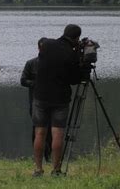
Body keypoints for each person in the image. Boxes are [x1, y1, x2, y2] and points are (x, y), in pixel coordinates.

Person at [31, 24, 82, 177]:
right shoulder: (71, 54)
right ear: (76, 38)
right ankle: (56, 170)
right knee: (57, 133)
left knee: (39, 133)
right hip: (60, 98)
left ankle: (38, 170)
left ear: (64, 33)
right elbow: (74, 80)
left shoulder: (46, 45)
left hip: (41, 96)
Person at [20, 37, 52, 162]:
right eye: (42, 47)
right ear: (38, 48)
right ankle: (37, 157)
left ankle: (48, 157)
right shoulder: (30, 63)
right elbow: (23, 81)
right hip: (35, 102)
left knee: (50, 130)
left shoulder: (54, 65)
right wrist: (36, 83)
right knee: (37, 130)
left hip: (51, 102)